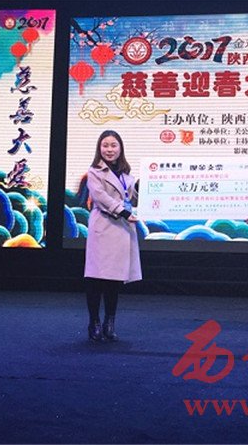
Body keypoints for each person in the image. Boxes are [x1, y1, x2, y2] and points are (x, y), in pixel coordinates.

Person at [84, 130, 142, 342]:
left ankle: (110, 322)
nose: (109, 149)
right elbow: (101, 198)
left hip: (121, 230)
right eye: (105, 145)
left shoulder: (127, 175)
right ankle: (94, 322)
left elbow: (133, 199)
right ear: (99, 148)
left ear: (120, 148)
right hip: (103, 227)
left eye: (113, 145)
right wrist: (124, 212)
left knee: (114, 280)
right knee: (96, 278)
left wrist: (145, 186)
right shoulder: (94, 172)